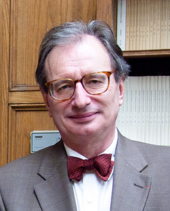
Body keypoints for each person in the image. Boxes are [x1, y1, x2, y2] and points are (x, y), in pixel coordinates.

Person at [0, 20, 170, 211]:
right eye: (64, 86)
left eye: (95, 81)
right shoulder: (6, 187)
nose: (81, 101)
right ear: (47, 101)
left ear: (120, 89)